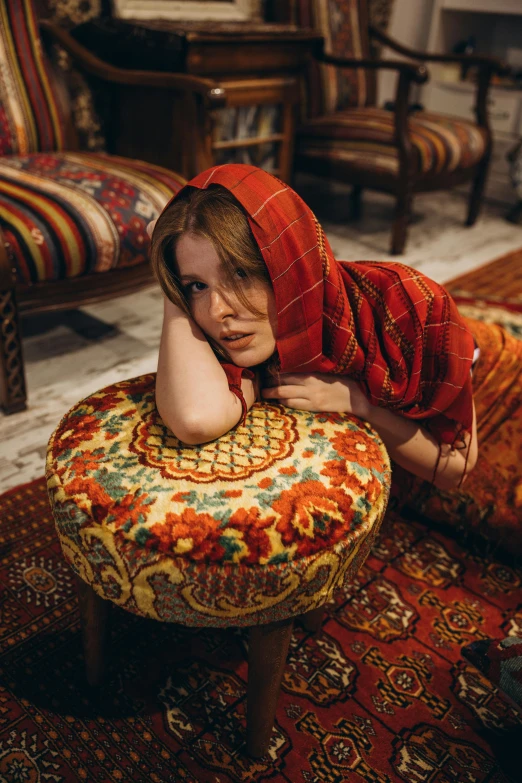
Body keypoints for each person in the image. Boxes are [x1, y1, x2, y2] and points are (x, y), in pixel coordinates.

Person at [149, 164, 478, 492]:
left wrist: (359, 403)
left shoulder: (412, 306)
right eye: (196, 286)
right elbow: (196, 419)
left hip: (482, 373)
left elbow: (456, 471)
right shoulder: (240, 334)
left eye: (240, 274)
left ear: (289, 262)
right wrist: (171, 288)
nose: (218, 311)